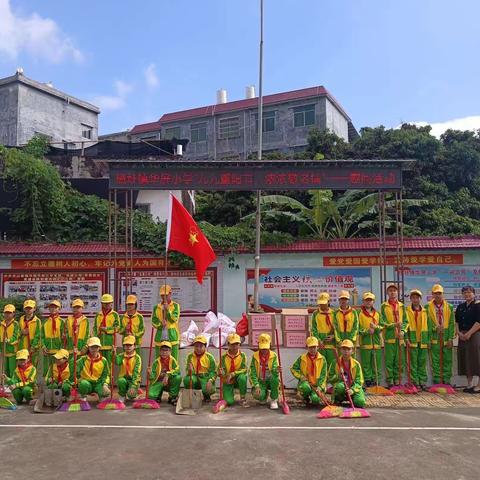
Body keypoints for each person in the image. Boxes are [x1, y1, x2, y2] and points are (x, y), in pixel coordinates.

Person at [427, 284, 455, 385]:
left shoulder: (449, 306)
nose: (438, 295)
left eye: (440, 293)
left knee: (447, 360)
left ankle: (447, 381)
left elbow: (452, 323)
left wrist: (451, 338)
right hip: (434, 338)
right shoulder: (427, 307)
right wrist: (434, 330)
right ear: (432, 294)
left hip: (446, 337)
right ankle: (437, 381)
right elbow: (426, 324)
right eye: (436, 293)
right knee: (435, 361)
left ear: (443, 294)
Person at [380, 284, 408, 387]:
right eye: (390, 290)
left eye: (394, 291)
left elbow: (406, 321)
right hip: (389, 338)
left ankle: (398, 380)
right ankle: (390, 381)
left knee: (400, 361)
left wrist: (403, 331)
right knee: (389, 361)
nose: (392, 292)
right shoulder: (384, 306)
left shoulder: (402, 306)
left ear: (397, 292)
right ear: (387, 293)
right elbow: (382, 322)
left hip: (400, 338)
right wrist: (393, 325)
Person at [456, 286, 480, 393]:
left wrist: (469, 333)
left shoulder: (478, 305)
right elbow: (456, 322)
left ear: (474, 294)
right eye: (465, 292)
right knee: (465, 358)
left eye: (470, 292)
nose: (467, 294)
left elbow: (478, 322)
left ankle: (478, 385)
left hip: (475, 335)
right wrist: (459, 333)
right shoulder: (460, 307)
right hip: (462, 335)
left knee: (476, 359)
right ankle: (469, 384)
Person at [290, 336, 327, 405]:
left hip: (317, 385)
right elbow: (293, 368)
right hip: (306, 383)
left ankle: (315, 396)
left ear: (318, 347)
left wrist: (320, 387)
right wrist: (301, 377)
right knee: (305, 388)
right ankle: (305, 398)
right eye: (310, 347)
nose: (312, 349)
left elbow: (324, 375)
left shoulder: (322, 359)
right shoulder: (302, 358)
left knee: (315, 400)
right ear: (307, 347)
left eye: (314, 347)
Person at [328, 339, 366, 407]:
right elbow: (329, 378)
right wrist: (338, 376)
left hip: (352, 387)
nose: (346, 351)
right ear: (340, 350)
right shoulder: (335, 362)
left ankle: (352, 398)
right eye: (344, 349)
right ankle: (338, 399)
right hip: (341, 387)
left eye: (348, 349)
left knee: (360, 402)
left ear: (353, 351)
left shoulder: (356, 364)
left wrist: (353, 390)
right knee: (339, 387)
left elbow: (359, 381)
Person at [358, 292, 383, 387]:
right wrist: (367, 331)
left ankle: (376, 381)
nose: (368, 302)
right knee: (366, 365)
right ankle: (368, 381)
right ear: (363, 302)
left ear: (373, 302)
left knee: (377, 365)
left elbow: (382, 327)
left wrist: (376, 327)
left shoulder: (378, 314)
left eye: (370, 300)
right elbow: (358, 329)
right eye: (366, 300)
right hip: (365, 343)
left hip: (376, 344)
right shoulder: (359, 314)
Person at [405, 289, 429, 389]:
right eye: (413, 298)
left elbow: (429, 325)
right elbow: (404, 325)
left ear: (420, 299)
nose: (415, 300)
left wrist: (429, 340)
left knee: (422, 363)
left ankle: (422, 382)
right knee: (412, 363)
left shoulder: (425, 311)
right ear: (410, 299)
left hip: (423, 340)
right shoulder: (407, 311)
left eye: (417, 298)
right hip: (412, 340)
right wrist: (406, 338)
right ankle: (414, 382)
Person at [249, 333, 279, 409]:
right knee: (259, 396)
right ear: (258, 345)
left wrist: (277, 370)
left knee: (275, 379)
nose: (264, 350)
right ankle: (264, 395)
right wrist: (256, 385)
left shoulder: (274, 355)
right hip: (260, 381)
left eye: (266, 348)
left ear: (270, 345)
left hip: (270, 380)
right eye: (262, 348)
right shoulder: (255, 356)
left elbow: (275, 371)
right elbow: (253, 372)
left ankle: (274, 399)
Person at [183, 335, 216, 402]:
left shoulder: (210, 357)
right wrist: (190, 371)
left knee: (208, 387)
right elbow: (188, 372)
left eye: (201, 346)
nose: (198, 348)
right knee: (188, 380)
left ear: (205, 347)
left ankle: (207, 396)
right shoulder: (190, 356)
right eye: (196, 346)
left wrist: (210, 380)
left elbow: (213, 371)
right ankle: (193, 396)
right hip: (194, 376)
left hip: (205, 377)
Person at [152, 284, 180, 362]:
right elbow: (153, 321)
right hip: (160, 336)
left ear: (170, 294)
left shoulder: (175, 306)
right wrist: (160, 324)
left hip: (172, 336)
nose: (164, 297)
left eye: (166, 295)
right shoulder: (156, 307)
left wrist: (168, 311)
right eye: (162, 295)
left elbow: (174, 319)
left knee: (173, 360)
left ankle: (173, 374)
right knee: (159, 360)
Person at [218, 333, 248, 407]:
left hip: (238, 378)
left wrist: (233, 374)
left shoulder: (242, 355)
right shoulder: (223, 357)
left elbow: (244, 369)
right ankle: (228, 396)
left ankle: (243, 398)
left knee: (243, 377)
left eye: (236, 344)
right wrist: (221, 373)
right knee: (229, 402)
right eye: (232, 344)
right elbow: (219, 371)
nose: (235, 346)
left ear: (239, 344)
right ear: (228, 344)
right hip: (228, 380)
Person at [148, 341, 182, 405]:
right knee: (151, 396)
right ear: (159, 351)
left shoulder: (173, 361)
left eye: (166, 350)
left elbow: (177, 371)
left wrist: (168, 374)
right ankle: (158, 396)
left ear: (170, 352)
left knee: (178, 378)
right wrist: (150, 374)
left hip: (169, 382)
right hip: (159, 382)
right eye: (162, 350)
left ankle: (173, 397)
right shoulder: (156, 362)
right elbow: (152, 379)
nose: (164, 352)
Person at [77, 336, 110, 401]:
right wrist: (78, 354)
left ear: (99, 348)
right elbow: (73, 369)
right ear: (88, 348)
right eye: (92, 347)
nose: (94, 349)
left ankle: (98, 397)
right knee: (83, 384)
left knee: (105, 392)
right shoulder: (83, 359)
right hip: (87, 383)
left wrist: (105, 384)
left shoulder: (104, 360)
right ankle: (84, 397)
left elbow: (105, 375)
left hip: (98, 383)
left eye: (96, 347)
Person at [311, 292, 336, 371]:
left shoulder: (334, 313)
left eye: (324, 303)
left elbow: (338, 328)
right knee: (320, 365)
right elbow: (313, 328)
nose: (322, 305)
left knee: (332, 365)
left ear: (328, 302)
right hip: (320, 345)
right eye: (320, 303)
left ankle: (330, 381)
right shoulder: (315, 313)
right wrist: (318, 340)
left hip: (331, 345)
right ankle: (321, 382)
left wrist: (334, 336)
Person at [93, 294, 120, 365]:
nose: (107, 305)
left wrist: (106, 329)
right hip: (99, 344)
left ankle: (109, 376)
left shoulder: (115, 314)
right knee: (98, 363)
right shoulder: (98, 315)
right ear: (102, 304)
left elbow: (117, 328)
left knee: (108, 364)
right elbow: (95, 328)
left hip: (110, 343)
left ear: (112, 303)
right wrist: (94, 338)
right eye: (105, 303)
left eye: (109, 303)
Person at [65, 299, 90, 372]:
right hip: (70, 346)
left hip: (81, 345)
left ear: (82, 308)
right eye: (75, 307)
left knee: (80, 366)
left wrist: (85, 346)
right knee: (70, 365)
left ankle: (79, 381)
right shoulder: (68, 319)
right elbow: (65, 332)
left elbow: (87, 334)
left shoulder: (85, 320)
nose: (76, 309)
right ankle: (72, 380)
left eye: (78, 307)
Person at [116, 335, 142, 403]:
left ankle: (135, 392)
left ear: (134, 346)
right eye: (126, 345)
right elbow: (116, 362)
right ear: (123, 346)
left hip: (133, 380)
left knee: (131, 396)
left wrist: (133, 385)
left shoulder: (137, 358)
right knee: (120, 381)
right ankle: (122, 395)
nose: (128, 347)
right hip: (124, 378)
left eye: (130, 345)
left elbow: (136, 372)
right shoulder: (121, 355)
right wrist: (113, 353)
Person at [42, 299, 65, 375]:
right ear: (48, 308)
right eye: (51, 307)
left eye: (55, 307)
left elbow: (64, 336)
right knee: (47, 369)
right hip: (47, 350)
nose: (53, 309)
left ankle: (56, 382)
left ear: (59, 308)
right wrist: (43, 346)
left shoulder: (62, 322)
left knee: (57, 369)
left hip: (58, 350)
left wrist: (61, 348)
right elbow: (41, 336)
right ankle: (48, 384)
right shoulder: (45, 322)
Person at [18, 299, 41, 366]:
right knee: (22, 365)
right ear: (24, 309)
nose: (28, 310)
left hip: (32, 347)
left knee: (32, 366)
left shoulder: (37, 321)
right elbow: (18, 332)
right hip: (22, 346)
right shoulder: (21, 319)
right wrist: (22, 333)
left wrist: (33, 347)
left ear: (34, 309)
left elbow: (38, 335)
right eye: (26, 308)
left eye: (30, 308)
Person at [0, 304, 20, 378]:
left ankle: (12, 386)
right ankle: (4, 385)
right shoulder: (1, 324)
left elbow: (16, 336)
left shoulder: (16, 324)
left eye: (9, 313)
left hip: (12, 351)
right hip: (3, 352)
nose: (7, 314)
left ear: (13, 313)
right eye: (6, 313)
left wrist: (9, 340)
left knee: (12, 371)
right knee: (4, 371)